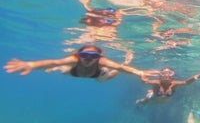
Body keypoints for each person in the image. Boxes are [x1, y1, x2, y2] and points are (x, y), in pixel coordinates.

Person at [3, 45, 158, 81]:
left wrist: (139, 72)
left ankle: (128, 57)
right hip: (73, 72)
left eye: (93, 56)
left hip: (95, 74)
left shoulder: (102, 61)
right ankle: (56, 70)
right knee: (60, 67)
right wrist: (31, 65)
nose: (89, 59)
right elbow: (53, 61)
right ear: (78, 54)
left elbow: (119, 67)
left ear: (99, 57)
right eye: (84, 55)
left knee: (106, 79)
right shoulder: (74, 59)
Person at [135, 67, 200, 104]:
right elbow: (144, 81)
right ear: (160, 75)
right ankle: (141, 101)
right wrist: (142, 74)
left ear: (172, 75)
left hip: (165, 102)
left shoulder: (174, 84)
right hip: (153, 98)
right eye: (164, 73)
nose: (166, 75)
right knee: (143, 102)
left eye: (169, 73)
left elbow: (187, 82)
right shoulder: (156, 82)